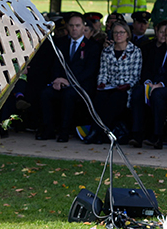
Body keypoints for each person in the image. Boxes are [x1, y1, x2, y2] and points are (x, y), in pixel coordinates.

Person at [37, 12, 101, 142]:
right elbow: (55, 65)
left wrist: (69, 81)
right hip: (61, 83)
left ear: (83, 27)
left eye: (77, 26)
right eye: (71, 25)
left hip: (80, 86)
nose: (74, 29)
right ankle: (48, 129)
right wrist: (56, 80)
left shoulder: (92, 47)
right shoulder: (60, 43)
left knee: (69, 95)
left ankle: (64, 131)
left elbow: (89, 71)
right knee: (45, 93)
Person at [84, 21, 143, 144]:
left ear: (127, 34)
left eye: (122, 32)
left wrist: (125, 85)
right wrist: (102, 83)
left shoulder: (135, 51)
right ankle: (100, 133)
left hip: (125, 89)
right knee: (99, 98)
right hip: (108, 86)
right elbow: (103, 72)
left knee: (115, 100)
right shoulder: (106, 51)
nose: (118, 35)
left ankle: (97, 131)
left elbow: (135, 76)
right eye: (116, 32)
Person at [129, 20, 167, 149]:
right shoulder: (148, 47)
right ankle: (137, 135)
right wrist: (148, 82)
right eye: (162, 32)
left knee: (157, 94)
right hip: (149, 83)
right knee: (138, 91)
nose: (164, 35)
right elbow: (143, 68)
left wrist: (161, 84)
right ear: (156, 31)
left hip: (163, 86)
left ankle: (157, 137)